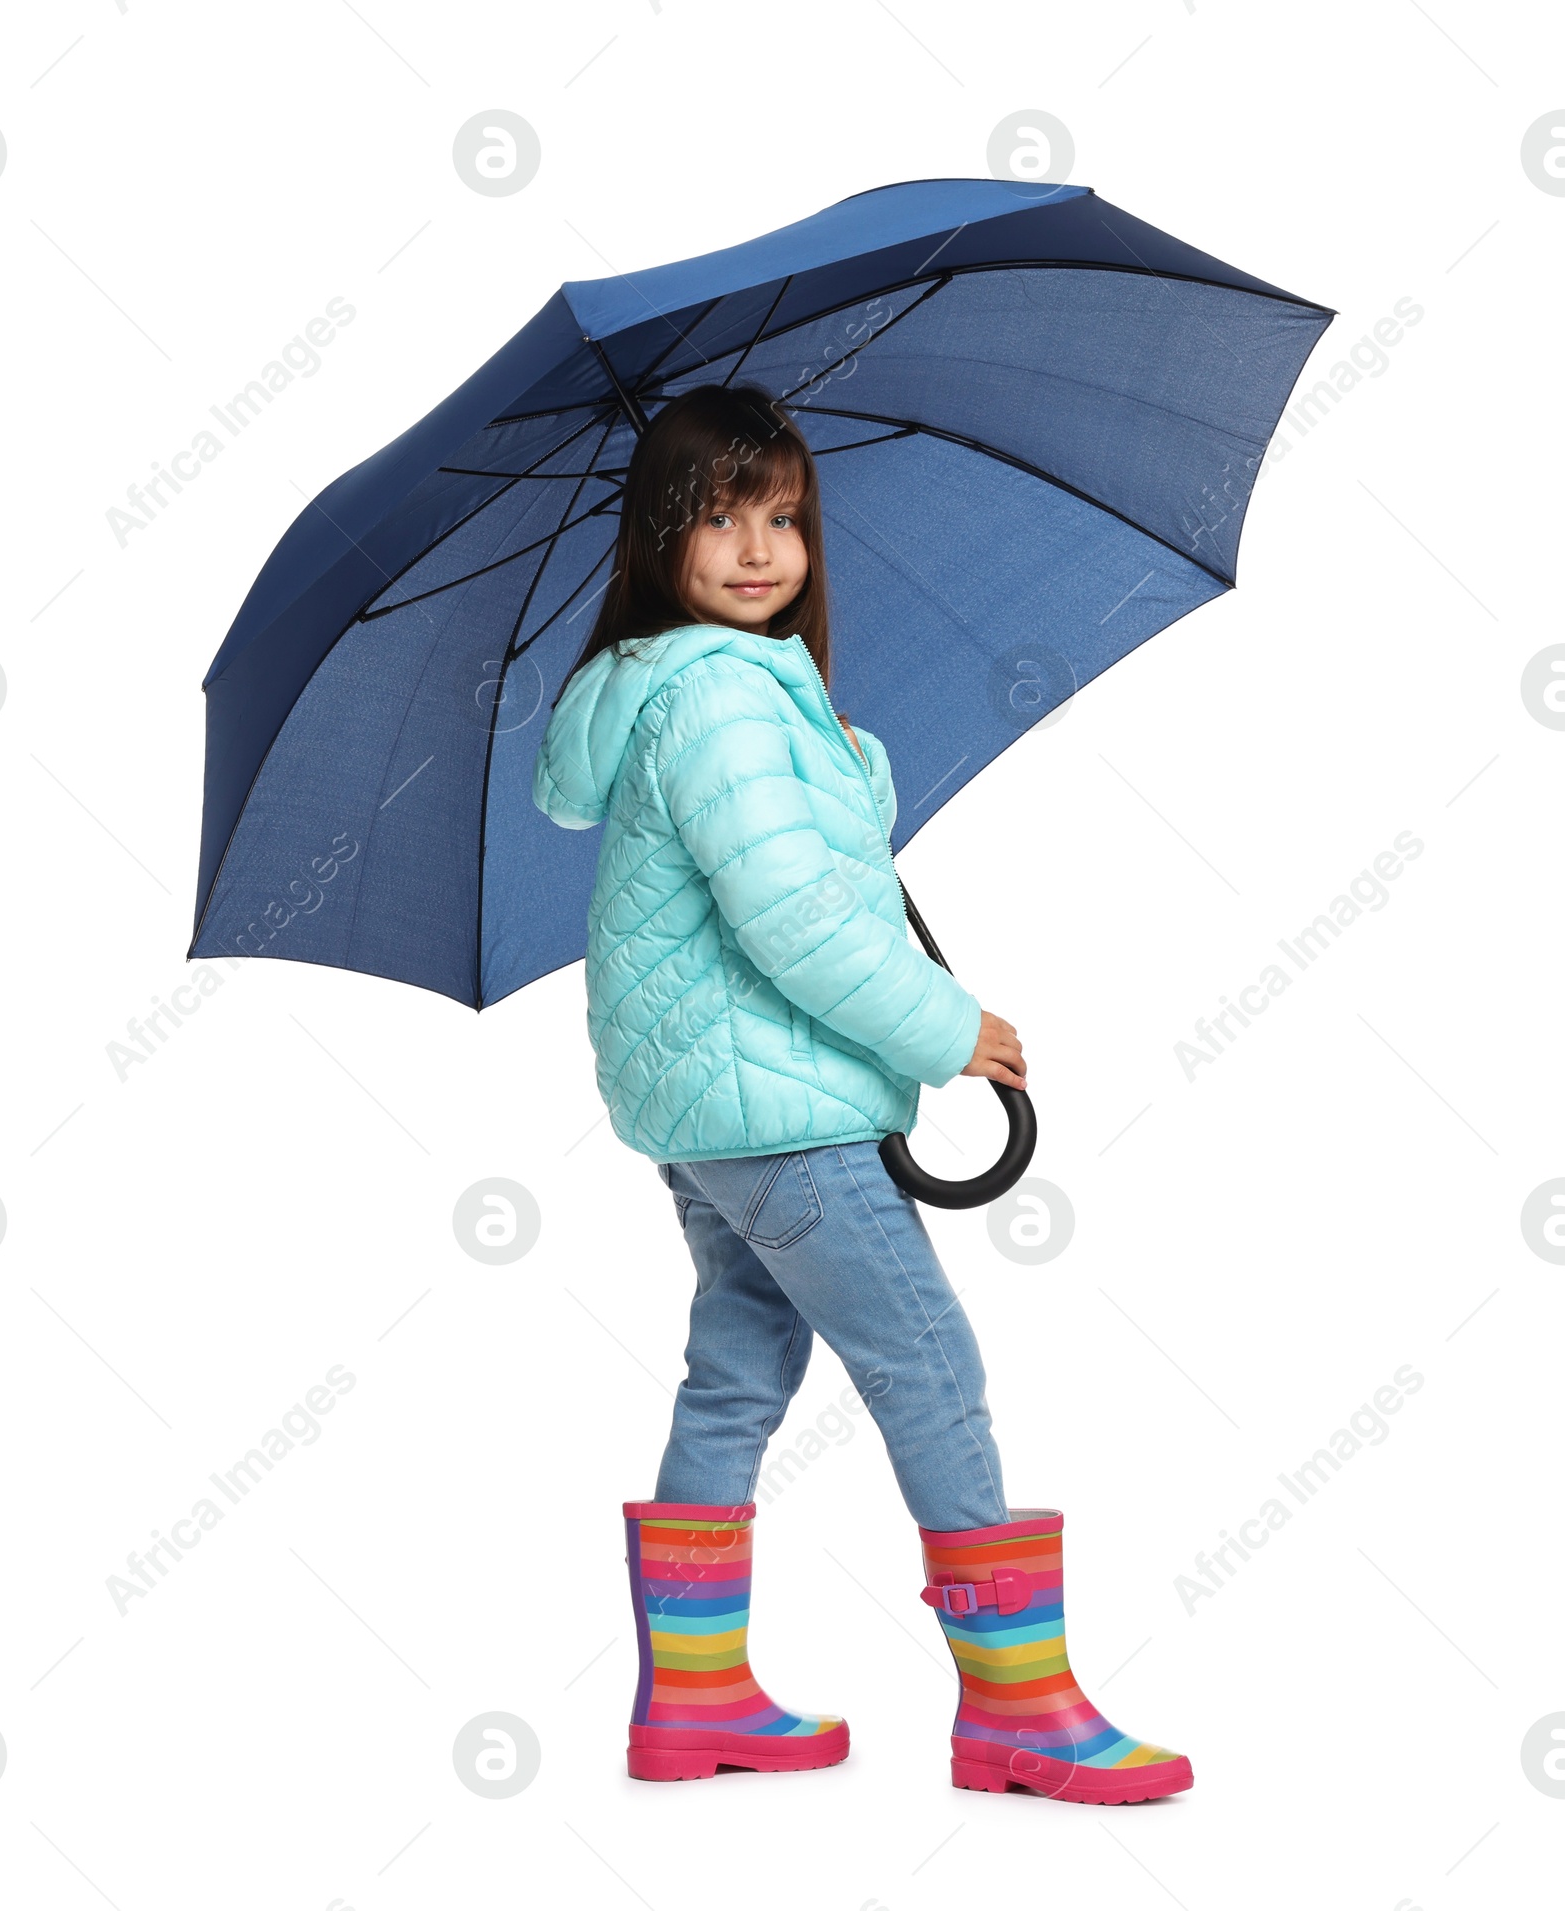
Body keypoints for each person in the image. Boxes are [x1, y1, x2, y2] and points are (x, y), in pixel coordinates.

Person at [532, 383, 1190, 1803]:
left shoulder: (689, 685)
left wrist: (832, 757)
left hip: (711, 1118)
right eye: (717, 516)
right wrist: (948, 1028)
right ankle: (1018, 1708)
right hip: (788, 1119)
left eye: (783, 517)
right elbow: (790, 919)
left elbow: (789, 875)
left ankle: (693, 1699)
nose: (760, 547)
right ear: (660, 538)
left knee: (740, 1371)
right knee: (930, 1370)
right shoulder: (718, 693)